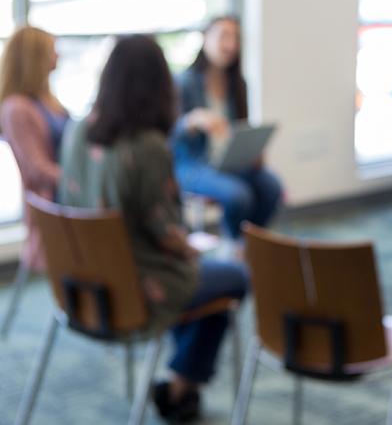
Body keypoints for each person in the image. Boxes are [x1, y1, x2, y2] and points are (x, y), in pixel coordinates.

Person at [58, 35, 248, 423]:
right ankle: (181, 383)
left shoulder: (77, 130)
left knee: (205, 286)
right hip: (136, 287)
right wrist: (192, 249)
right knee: (234, 276)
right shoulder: (147, 147)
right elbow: (167, 235)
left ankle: (181, 386)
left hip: (80, 283)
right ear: (159, 85)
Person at [172, 15, 282, 240]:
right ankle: (235, 246)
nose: (230, 45)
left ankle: (252, 244)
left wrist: (252, 153)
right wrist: (191, 120)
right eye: (224, 36)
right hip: (192, 165)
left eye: (235, 38)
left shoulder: (238, 84)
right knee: (238, 195)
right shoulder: (184, 83)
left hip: (228, 162)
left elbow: (239, 130)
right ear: (205, 38)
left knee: (271, 186)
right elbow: (168, 136)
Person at [0, 25, 69, 272]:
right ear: (35, 57)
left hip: (67, 193)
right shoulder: (16, 108)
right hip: (53, 203)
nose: (58, 56)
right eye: (52, 51)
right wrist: (79, 178)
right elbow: (37, 169)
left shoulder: (47, 99)